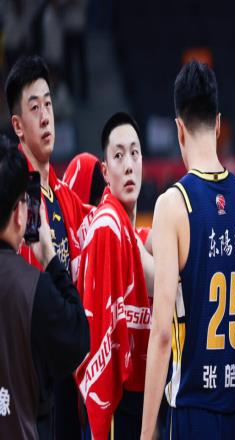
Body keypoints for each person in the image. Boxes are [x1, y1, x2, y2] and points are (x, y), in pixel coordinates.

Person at [141, 61, 235, 440]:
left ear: (179, 128)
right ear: (219, 124)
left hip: (193, 408)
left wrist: (146, 432)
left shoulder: (173, 204)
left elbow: (162, 333)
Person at [5, 54, 90, 439]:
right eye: (34, 108)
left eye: (49, 105)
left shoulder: (64, 197)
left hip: (66, 384)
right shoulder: (11, 199)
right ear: (17, 126)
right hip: (25, 385)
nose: (45, 117)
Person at [75, 112, 153, 439]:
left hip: (137, 391)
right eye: (118, 156)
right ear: (105, 172)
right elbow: (102, 340)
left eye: (135, 153)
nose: (129, 165)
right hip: (118, 397)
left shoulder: (129, 230)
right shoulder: (108, 226)